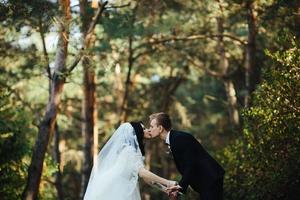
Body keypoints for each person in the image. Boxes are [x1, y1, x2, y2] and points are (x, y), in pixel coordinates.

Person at [83, 122, 176, 200]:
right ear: (135, 133)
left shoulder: (132, 151)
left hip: (122, 187)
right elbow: (143, 173)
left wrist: (165, 189)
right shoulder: (128, 151)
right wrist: (168, 182)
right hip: (116, 189)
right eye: (143, 129)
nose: (147, 130)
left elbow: (146, 178)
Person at [146, 112, 225, 200]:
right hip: (206, 180)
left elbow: (190, 164)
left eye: (152, 127)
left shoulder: (179, 138)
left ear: (160, 128)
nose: (149, 129)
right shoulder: (174, 138)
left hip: (210, 178)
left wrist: (180, 186)